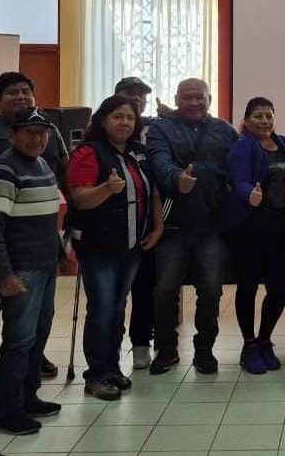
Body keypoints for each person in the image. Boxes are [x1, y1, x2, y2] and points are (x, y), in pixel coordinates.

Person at [0, 72, 67, 391]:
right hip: (3, 239)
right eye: (12, 92)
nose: (21, 96)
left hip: (39, 242)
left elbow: (61, 172)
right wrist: (3, 269)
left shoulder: (49, 135)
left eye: (26, 91)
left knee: (33, 324)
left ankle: (28, 385)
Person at [68, 96, 164, 400]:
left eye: (130, 118)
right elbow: (80, 199)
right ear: (103, 120)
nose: (124, 122)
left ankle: (111, 367)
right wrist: (107, 189)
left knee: (117, 309)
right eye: (117, 117)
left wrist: (158, 227)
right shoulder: (88, 152)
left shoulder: (138, 153)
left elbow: (153, 192)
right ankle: (96, 374)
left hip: (132, 245)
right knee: (102, 310)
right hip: (100, 247)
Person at [146, 78, 238, 375]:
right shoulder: (161, 129)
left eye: (200, 97)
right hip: (173, 225)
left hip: (212, 225)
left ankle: (204, 351)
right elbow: (158, 161)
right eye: (187, 97)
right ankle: (166, 350)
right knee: (164, 291)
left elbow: (236, 170)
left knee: (210, 290)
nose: (194, 102)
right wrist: (177, 179)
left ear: (209, 99)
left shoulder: (225, 130)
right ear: (176, 99)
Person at [0, 108, 66, 435]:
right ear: (13, 134)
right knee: (19, 340)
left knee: (37, 336)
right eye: (30, 133)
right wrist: (4, 275)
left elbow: (47, 219)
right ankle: (7, 410)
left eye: (43, 133)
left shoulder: (42, 164)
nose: (37, 139)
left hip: (45, 267)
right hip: (21, 270)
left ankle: (28, 397)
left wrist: (59, 254)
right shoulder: (4, 171)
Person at [223, 97, 285, 374]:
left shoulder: (284, 143)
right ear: (246, 120)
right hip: (249, 229)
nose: (264, 121)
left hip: (279, 229)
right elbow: (238, 180)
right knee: (249, 286)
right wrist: (249, 195)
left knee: (279, 287)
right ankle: (249, 345)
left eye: (269, 115)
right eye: (258, 116)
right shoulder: (243, 146)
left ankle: (265, 339)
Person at [113, 76, 170, 370]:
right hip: (110, 232)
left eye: (141, 96)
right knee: (112, 297)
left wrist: (158, 226)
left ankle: (140, 344)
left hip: (146, 228)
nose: (137, 99)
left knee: (145, 289)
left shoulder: (154, 130)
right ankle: (109, 351)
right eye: (130, 94)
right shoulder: (100, 135)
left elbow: (155, 187)